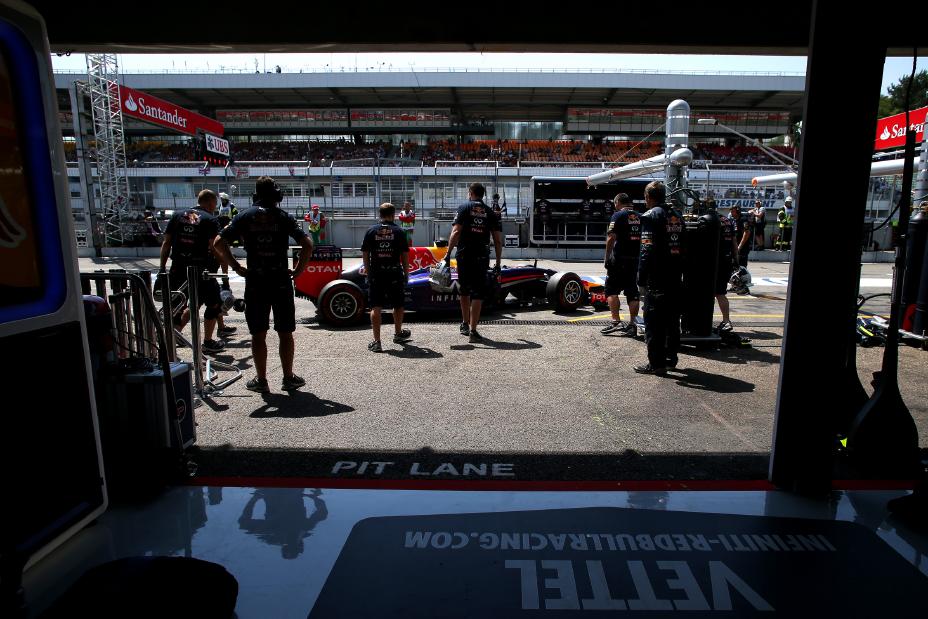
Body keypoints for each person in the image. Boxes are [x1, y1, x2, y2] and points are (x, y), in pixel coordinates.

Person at [213, 176, 314, 393]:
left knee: (258, 333)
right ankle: (288, 378)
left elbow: (218, 243)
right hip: (280, 281)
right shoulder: (283, 216)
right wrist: (297, 271)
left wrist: (235, 266)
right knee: (285, 332)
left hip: (256, 281)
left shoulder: (244, 216)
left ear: (256, 193)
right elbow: (307, 244)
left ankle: (261, 380)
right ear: (275, 193)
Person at [159, 189, 225, 354]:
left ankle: (170, 344)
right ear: (210, 203)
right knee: (214, 303)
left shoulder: (177, 215)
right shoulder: (210, 219)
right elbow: (214, 246)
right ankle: (208, 341)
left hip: (178, 268)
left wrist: (162, 268)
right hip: (201, 270)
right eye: (214, 204)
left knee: (176, 305)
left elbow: (166, 243)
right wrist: (225, 262)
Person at [635, 181, 685, 376]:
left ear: (648, 197)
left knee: (654, 322)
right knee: (673, 321)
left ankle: (656, 364)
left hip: (657, 278)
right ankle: (671, 359)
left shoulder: (650, 216)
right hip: (675, 277)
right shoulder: (677, 216)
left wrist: (641, 278)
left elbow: (645, 250)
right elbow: (685, 248)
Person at [444, 182, 502, 343]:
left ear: (470, 193)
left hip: (464, 255)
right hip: (481, 256)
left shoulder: (464, 208)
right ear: (483, 195)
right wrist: (498, 262)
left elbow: (455, 232)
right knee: (478, 293)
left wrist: (447, 254)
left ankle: (464, 323)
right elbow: (497, 240)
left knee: (464, 289)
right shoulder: (490, 212)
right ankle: (473, 330)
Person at [361, 203, 411, 352]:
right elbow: (405, 256)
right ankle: (397, 333)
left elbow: (365, 254)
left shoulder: (371, 231)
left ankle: (377, 342)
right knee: (398, 304)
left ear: (380, 214)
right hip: (394, 272)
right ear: (393, 215)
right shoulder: (399, 231)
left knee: (376, 306)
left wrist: (369, 271)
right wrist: (406, 273)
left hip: (377, 273)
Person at [601, 193, 641, 336]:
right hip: (635, 259)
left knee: (611, 290)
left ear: (618, 202)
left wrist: (607, 257)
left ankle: (615, 321)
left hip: (619, 259)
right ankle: (632, 324)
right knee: (632, 291)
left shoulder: (617, 216)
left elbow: (611, 237)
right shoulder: (640, 216)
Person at [713, 200, 738, 333]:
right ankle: (726, 320)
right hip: (727, 261)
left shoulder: (709, 220)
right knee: (720, 293)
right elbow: (734, 241)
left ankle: (701, 322)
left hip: (713, 263)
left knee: (708, 293)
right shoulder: (727, 221)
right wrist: (736, 259)